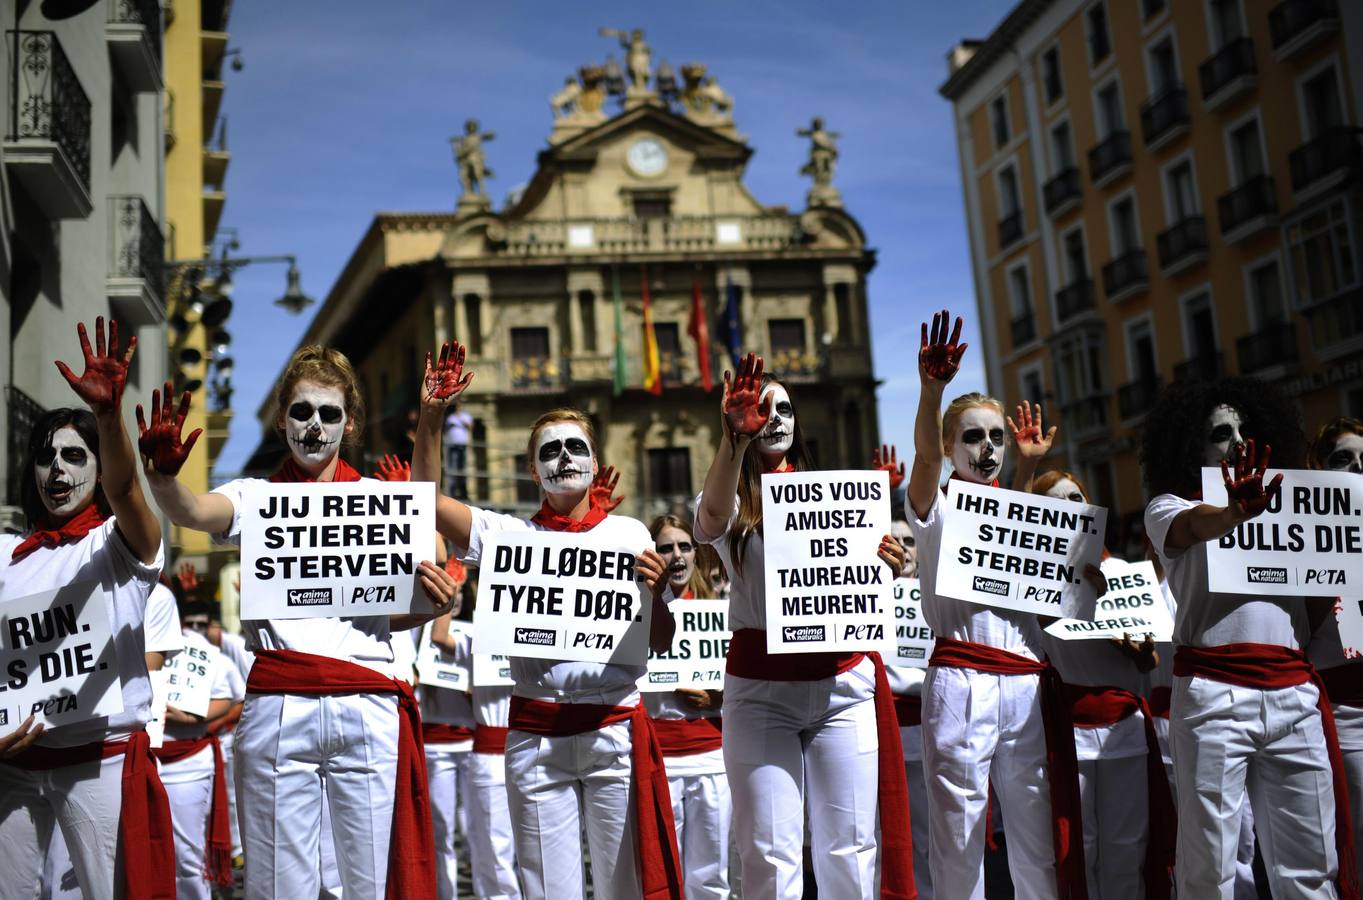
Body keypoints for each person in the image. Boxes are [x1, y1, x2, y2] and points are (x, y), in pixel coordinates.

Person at [137, 345, 459, 897]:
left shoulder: (381, 501)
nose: (314, 426)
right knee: (278, 885)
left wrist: (431, 420)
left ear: (350, 423)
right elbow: (193, 511)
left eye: (329, 414)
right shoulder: (254, 497)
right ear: (282, 418)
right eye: (302, 412)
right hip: (279, 706)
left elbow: (426, 534)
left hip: (367, 703)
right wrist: (165, 481)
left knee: (368, 884)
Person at [411, 342, 682, 900]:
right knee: (545, 891)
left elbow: (660, 641)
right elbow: (427, 499)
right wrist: (433, 418)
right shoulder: (509, 536)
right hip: (536, 737)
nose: (564, 458)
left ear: (593, 457)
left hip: (614, 731)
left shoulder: (631, 534)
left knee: (623, 887)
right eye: (550, 450)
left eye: (575, 447)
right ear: (533, 470)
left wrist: (657, 597)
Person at [692, 352, 911, 900]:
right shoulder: (730, 496)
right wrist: (733, 442)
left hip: (843, 687)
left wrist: (887, 563)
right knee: (769, 853)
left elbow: (862, 582)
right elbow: (707, 523)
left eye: (785, 407)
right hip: (762, 692)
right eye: (763, 408)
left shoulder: (842, 496)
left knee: (852, 849)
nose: (776, 417)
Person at [1141, 376, 1354, 899]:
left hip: (1294, 694)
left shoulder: (1294, 506)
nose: (1237, 441)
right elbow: (1193, 527)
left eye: (1244, 429)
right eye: (1220, 432)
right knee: (1210, 867)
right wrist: (1235, 512)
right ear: (1191, 445)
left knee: (1310, 865)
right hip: (1213, 697)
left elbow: (1325, 595)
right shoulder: (1166, 507)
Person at [906, 310, 1087, 900]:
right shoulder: (934, 505)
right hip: (962, 682)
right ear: (950, 446)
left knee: (1035, 837)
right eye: (972, 436)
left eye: (996, 436)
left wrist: (1031, 468)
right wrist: (933, 390)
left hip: (1025, 685)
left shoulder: (1022, 505)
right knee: (959, 841)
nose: (987, 447)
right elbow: (927, 463)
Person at [0, 318, 172, 900]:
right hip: (13, 764)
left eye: (76, 456)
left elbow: (128, 494)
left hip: (98, 764)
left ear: (97, 469)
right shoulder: (4, 555)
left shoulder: (117, 546)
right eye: (46, 457)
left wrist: (107, 416)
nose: (59, 470)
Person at [1033, 470, 1175, 900]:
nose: (1071, 507)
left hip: (1126, 729)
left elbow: (1149, 661)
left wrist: (1140, 652)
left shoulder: (1125, 572)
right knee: (1082, 846)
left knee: (1125, 847)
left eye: (1077, 497)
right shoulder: (1034, 582)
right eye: (1058, 502)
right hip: (1068, 733)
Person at [647, 514, 730, 900]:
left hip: (712, 759)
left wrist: (716, 697)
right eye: (665, 548)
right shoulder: (637, 611)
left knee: (712, 873)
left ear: (696, 554)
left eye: (684, 546)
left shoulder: (722, 608)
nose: (676, 555)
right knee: (664, 867)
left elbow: (748, 680)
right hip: (657, 759)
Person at [154, 600, 246, 899]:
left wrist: (194, 716)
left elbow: (232, 697)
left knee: (185, 856)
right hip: (133, 757)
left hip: (186, 760)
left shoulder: (202, 651)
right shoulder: (124, 641)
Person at [876, 444, 934, 899]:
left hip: (932, 732)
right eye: (895, 542)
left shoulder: (940, 596)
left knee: (930, 843)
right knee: (879, 846)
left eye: (910, 541)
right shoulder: (866, 599)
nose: (903, 550)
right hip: (881, 733)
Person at [1308, 416, 1363, 881]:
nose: (1358, 468)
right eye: (1344, 459)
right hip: (1347, 715)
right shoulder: (1306, 545)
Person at [463, 568, 525, 900]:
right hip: (489, 755)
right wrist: (458, 582)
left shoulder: (537, 628)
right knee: (491, 848)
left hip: (528, 747)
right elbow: (440, 639)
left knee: (532, 849)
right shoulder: (473, 637)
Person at [444, 402, 473, 499]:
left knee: (462, 469)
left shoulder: (465, 416)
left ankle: (463, 492)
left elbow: (471, 427)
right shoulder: (450, 417)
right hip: (452, 445)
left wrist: (461, 421)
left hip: (462, 445)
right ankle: (452, 492)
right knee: (452, 468)